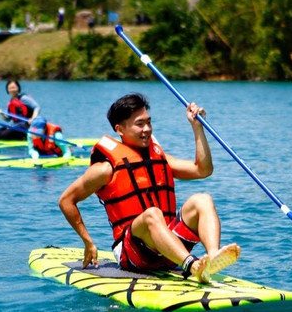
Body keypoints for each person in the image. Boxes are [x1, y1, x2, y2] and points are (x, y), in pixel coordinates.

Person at [58, 93, 240, 282]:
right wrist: (88, 242)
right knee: (152, 214)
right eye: (139, 124)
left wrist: (197, 127)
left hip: (169, 249)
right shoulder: (104, 169)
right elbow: (66, 201)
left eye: (149, 123)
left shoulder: (160, 159)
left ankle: (212, 258)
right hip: (134, 254)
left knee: (202, 200)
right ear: (119, 129)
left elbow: (203, 170)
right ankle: (193, 266)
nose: (147, 129)